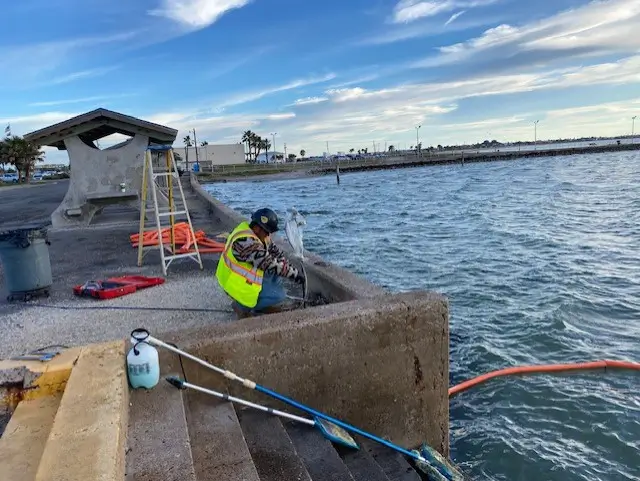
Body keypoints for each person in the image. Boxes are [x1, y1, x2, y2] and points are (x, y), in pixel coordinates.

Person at [216, 207, 304, 318]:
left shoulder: (259, 235)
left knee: (277, 275)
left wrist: (288, 266)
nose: (269, 236)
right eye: (267, 232)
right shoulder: (245, 243)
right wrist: (295, 275)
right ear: (257, 228)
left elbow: (276, 253)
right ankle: (241, 306)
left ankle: (262, 304)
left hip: (240, 276)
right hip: (233, 282)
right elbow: (269, 263)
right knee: (279, 295)